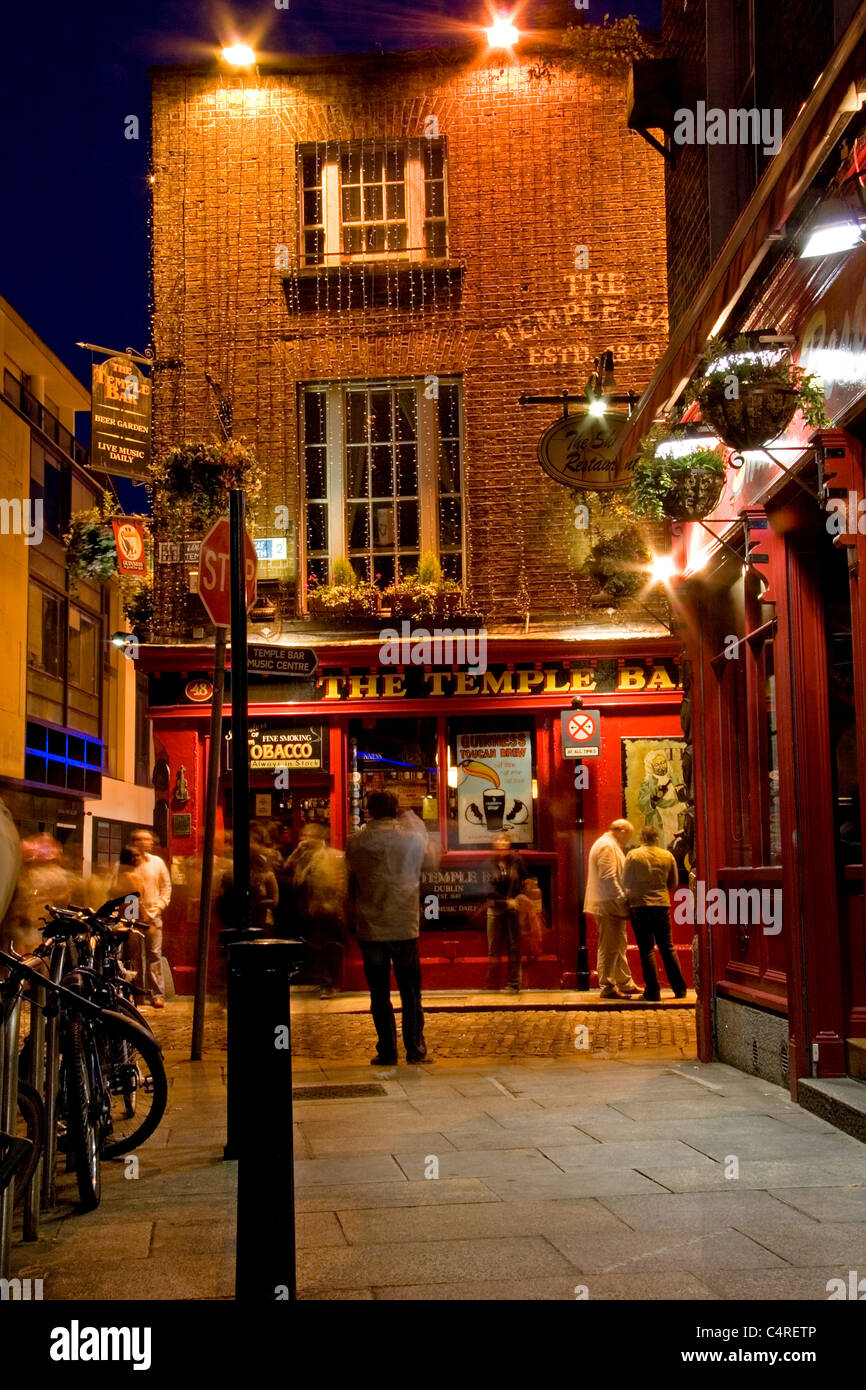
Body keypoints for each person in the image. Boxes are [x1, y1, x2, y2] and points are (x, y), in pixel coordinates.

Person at [345, 791, 434, 1065]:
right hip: (404, 924)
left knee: (379, 993)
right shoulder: (411, 839)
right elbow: (430, 860)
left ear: (368, 810)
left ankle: (386, 1050)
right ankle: (415, 1048)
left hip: (371, 926)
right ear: (393, 809)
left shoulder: (355, 842)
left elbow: (350, 881)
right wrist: (409, 816)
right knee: (410, 991)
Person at [623, 824, 688, 1002]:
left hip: (640, 905)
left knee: (646, 950)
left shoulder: (633, 856)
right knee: (668, 947)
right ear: (656, 838)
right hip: (661, 905)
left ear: (642, 838)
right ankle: (680, 989)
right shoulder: (667, 856)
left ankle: (653, 991)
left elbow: (626, 881)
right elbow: (673, 882)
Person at [284, 824, 347, 997]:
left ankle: (328, 983)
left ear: (319, 837)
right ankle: (321, 980)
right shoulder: (302, 857)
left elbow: (342, 882)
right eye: (302, 835)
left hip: (328, 908)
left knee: (328, 947)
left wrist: (337, 904)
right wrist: (296, 853)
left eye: (307, 835)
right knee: (316, 947)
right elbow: (286, 870)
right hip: (307, 908)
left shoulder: (335, 856)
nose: (303, 838)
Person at [111, 828, 171, 1009]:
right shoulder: (125, 864)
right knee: (134, 956)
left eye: (147, 839)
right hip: (132, 917)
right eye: (140, 839)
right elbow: (116, 888)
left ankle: (157, 994)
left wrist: (155, 911)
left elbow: (166, 890)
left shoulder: (157, 863)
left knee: (154, 956)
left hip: (153, 916)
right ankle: (138, 994)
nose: (144, 843)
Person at [584, 819, 641, 1000]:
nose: (628, 839)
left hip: (607, 903)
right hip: (608, 903)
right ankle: (607, 985)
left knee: (618, 942)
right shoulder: (608, 846)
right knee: (610, 944)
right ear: (621, 831)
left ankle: (624, 981)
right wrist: (622, 899)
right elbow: (609, 878)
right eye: (628, 834)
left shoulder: (607, 844)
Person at [485, 832, 528, 993]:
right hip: (495, 910)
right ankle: (492, 985)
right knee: (494, 949)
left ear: (509, 843)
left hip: (513, 910)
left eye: (505, 840)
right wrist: (506, 902)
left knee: (514, 947)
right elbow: (487, 889)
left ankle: (513, 984)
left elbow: (524, 880)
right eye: (498, 840)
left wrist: (516, 900)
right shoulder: (489, 863)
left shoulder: (516, 861)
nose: (502, 843)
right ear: (494, 844)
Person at [250, 851, 279, 932]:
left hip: (263, 920)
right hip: (249, 920)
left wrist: (254, 904)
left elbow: (275, 901)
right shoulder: (250, 876)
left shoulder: (269, 876)